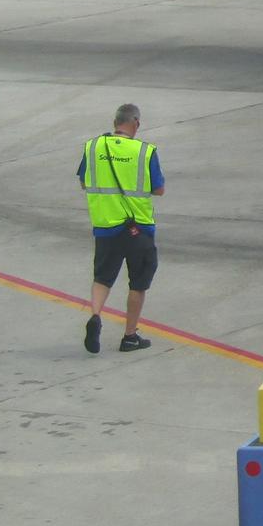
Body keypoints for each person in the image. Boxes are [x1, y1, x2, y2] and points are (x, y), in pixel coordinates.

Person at [77, 104, 165, 354]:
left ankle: (95, 315)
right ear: (135, 123)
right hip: (138, 228)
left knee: (102, 277)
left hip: (105, 226)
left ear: (115, 122)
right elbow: (158, 189)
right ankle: (129, 336)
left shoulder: (93, 147)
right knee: (138, 282)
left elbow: (84, 182)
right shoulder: (145, 151)